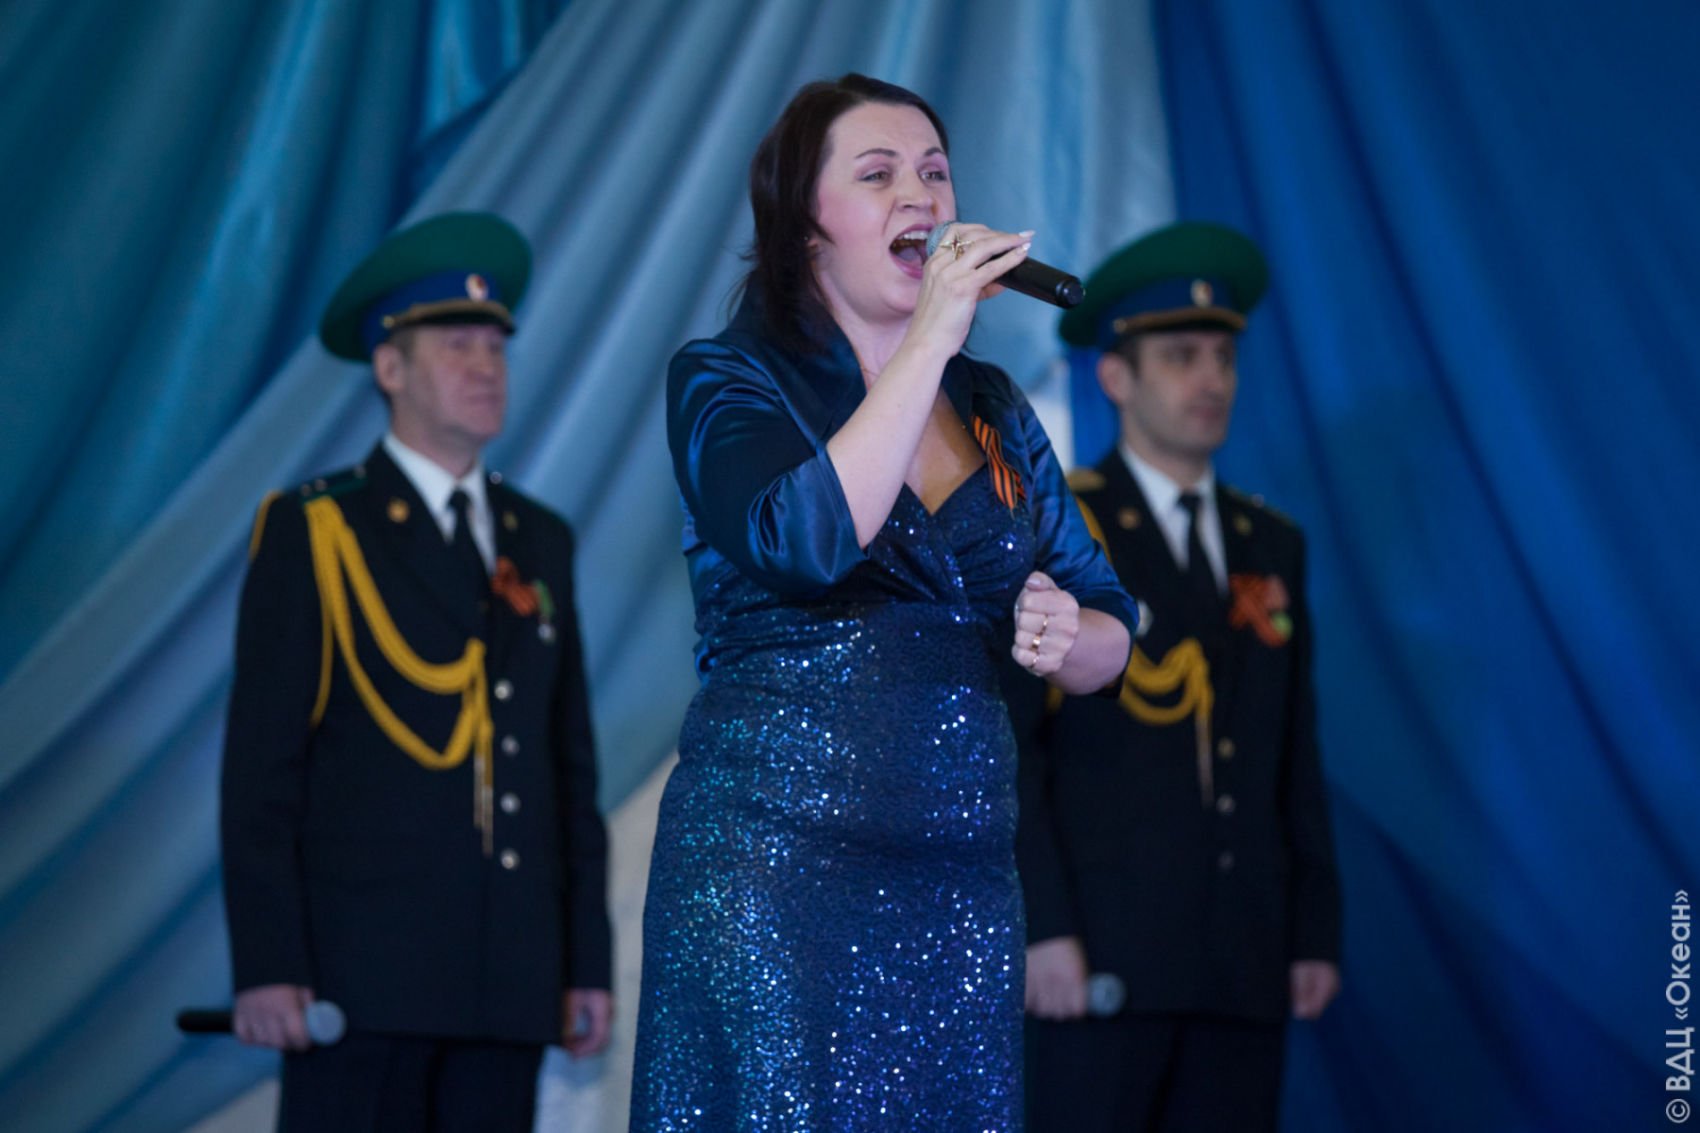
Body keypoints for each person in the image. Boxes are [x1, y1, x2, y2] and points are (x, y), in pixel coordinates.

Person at [628, 74, 1139, 1129]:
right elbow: (802, 541)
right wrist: (929, 340)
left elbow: (1107, 620)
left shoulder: (991, 406)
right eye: (877, 173)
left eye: (935, 172)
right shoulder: (728, 379)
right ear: (802, 222)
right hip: (776, 867)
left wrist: (1069, 631)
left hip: (959, 879)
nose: (921, 194)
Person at [219, 211, 613, 1132]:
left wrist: (581, 959)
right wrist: (269, 961)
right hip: (362, 983)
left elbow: (566, 769)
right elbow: (262, 769)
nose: (486, 366)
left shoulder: (539, 539)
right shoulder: (318, 527)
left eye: (496, 347)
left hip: (509, 979)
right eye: (456, 345)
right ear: (389, 369)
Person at [1013, 221, 1343, 1132]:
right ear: (1116, 377)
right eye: (1181, 356)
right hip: (1100, 958)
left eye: (1223, 358)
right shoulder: (1061, 531)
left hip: (1243, 958)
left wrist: (1312, 927)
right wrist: (1043, 924)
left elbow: (1291, 752)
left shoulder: (1271, 543)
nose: (1211, 380)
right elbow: (1013, 748)